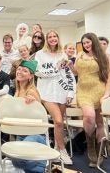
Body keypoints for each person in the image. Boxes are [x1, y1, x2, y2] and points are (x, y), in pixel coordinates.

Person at [71, 32, 110, 167]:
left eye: (88, 42)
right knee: (89, 116)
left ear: (93, 41)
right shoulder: (80, 55)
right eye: (84, 43)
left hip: (99, 91)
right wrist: (69, 65)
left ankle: (99, 152)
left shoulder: (105, 56)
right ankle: (91, 147)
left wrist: (106, 93)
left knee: (100, 123)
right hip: (83, 91)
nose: (86, 45)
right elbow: (76, 72)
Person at [35, 30, 75, 165]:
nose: (52, 38)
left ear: (58, 38)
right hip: (46, 93)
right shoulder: (40, 54)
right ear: (46, 39)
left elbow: (69, 76)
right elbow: (37, 72)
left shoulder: (62, 54)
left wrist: (70, 93)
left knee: (60, 123)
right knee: (58, 121)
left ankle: (56, 150)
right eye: (50, 36)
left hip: (62, 92)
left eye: (55, 36)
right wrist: (55, 69)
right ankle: (63, 151)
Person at [12, 60, 47, 173]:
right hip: (21, 132)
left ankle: (42, 163)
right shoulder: (17, 90)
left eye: (25, 70)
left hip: (35, 133)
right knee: (16, 161)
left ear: (31, 76)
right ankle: (40, 163)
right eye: (19, 69)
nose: (20, 71)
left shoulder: (31, 91)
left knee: (18, 159)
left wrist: (35, 104)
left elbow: (42, 115)